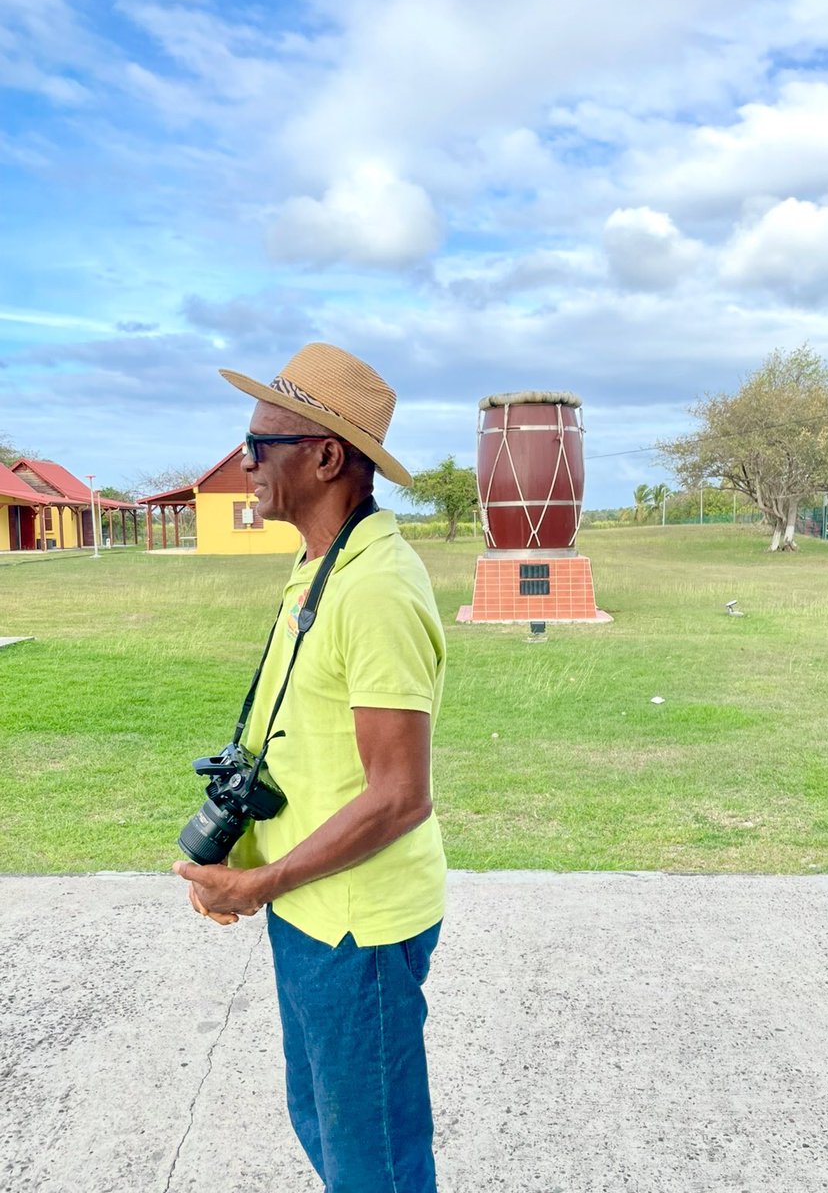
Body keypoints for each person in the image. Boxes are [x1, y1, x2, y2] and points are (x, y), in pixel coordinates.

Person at [172, 342, 447, 1193]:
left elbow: (400, 795)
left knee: (375, 1163)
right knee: (326, 1123)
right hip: (313, 906)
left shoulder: (376, 588)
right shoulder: (324, 567)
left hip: (355, 923)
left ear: (326, 457)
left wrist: (262, 881)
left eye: (261, 444)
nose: (243, 462)